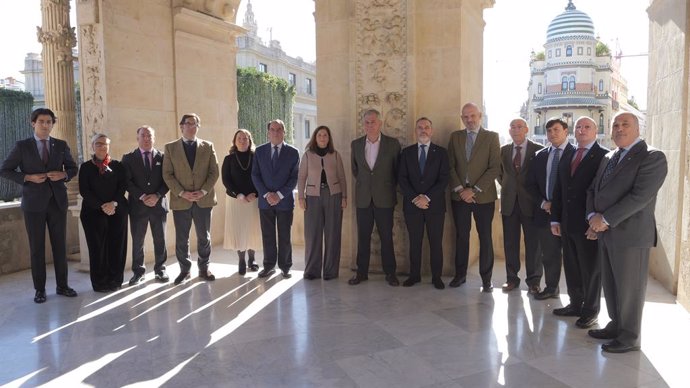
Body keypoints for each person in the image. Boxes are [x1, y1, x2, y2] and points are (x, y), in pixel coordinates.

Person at [586, 112, 667, 353]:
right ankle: (616, 325)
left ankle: (630, 336)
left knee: (630, 288)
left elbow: (640, 197)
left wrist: (606, 219)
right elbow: (593, 189)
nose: (619, 129)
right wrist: (592, 217)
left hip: (630, 235)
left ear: (638, 128)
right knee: (611, 285)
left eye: (625, 124)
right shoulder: (610, 156)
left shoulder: (652, 157)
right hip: (604, 231)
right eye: (616, 125)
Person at [0, 108, 78, 303]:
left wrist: (64, 175)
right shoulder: (22, 146)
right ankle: (40, 290)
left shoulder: (60, 145)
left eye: (49, 122)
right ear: (33, 123)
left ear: (53, 124)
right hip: (33, 204)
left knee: (60, 246)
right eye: (42, 121)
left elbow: (72, 167)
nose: (45, 125)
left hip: (57, 203)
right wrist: (27, 177)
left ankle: (63, 286)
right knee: (37, 248)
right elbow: (5, 169)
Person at [550, 117, 608, 327]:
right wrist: (555, 218)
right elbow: (559, 189)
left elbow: (603, 193)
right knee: (572, 266)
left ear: (596, 130)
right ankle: (575, 304)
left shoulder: (604, 156)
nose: (582, 130)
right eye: (578, 127)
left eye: (587, 127)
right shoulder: (569, 154)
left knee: (591, 269)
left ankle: (590, 310)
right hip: (566, 223)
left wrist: (596, 225)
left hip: (588, 225)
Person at [447, 102, 501, 291]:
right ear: (462, 118)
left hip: (483, 196)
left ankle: (486, 280)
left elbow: (495, 167)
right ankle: (460, 275)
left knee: (485, 237)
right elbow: (450, 165)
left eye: (473, 116)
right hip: (459, 196)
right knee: (461, 236)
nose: (469, 120)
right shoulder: (455, 137)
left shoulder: (491, 137)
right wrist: (461, 189)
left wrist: (474, 190)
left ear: (480, 115)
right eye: (465, 117)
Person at [162, 113, 219, 285]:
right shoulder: (170, 148)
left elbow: (214, 172)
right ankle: (185, 270)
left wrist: (203, 191)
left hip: (204, 200)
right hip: (181, 201)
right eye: (189, 123)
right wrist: (182, 193)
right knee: (182, 238)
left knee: (204, 237)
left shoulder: (208, 146)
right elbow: (167, 174)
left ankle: (204, 268)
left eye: (195, 124)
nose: (192, 127)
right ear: (181, 126)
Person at [349, 109, 401, 286]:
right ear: (363, 125)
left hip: (385, 198)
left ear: (380, 123)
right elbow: (356, 170)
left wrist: (383, 186)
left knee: (387, 236)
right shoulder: (355, 145)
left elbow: (397, 172)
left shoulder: (393, 144)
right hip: (363, 199)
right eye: (367, 122)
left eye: (373, 122)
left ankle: (390, 273)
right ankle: (361, 273)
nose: (370, 125)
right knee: (363, 237)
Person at [398, 117, 449, 289]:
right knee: (415, 242)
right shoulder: (406, 153)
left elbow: (444, 180)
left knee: (436, 242)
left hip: (434, 206)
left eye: (427, 127)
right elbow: (402, 179)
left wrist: (426, 198)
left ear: (431, 130)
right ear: (415, 131)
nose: (423, 130)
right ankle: (414, 276)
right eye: (420, 127)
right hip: (412, 206)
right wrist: (415, 198)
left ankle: (437, 277)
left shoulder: (441, 153)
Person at [527, 118, 572, 301]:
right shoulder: (540, 155)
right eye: (549, 131)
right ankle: (551, 287)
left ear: (566, 131)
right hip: (544, 212)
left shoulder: (575, 153)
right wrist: (543, 203)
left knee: (572, 257)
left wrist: (560, 205)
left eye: (556, 129)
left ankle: (577, 296)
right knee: (549, 254)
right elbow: (531, 185)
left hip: (569, 214)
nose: (552, 134)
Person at [498, 118, 544, 294]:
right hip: (509, 203)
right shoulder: (503, 151)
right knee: (510, 243)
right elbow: (500, 175)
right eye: (512, 127)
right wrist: (510, 189)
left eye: (519, 127)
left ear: (526, 129)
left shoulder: (538, 150)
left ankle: (534, 281)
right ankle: (511, 279)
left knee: (533, 244)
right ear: (509, 131)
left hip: (531, 204)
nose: (516, 130)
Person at [79, 134, 129, 292]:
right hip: (93, 213)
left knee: (116, 247)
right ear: (92, 146)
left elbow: (122, 187)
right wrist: (102, 206)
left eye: (105, 144)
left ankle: (115, 280)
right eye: (98, 144)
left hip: (117, 211)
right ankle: (100, 282)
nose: (102, 147)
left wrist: (112, 203)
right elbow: (84, 191)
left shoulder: (118, 165)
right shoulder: (86, 167)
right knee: (97, 248)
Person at [297, 125, 347, 280]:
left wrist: (344, 197)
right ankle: (312, 271)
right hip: (312, 197)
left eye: (325, 135)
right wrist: (301, 197)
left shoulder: (335, 155)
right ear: (315, 137)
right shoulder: (307, 155)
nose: (323, 138)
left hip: (334, 196)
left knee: (333, 234)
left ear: (328, 138)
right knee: (313, 234)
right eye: (320, 135)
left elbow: (342, 177)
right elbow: (301, 177)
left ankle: (331, 271)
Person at [251, 119, 300, 279]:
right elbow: (255, 175)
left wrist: (278, 195)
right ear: (268, 132)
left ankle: (285, 267)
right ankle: (269, 266)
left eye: (279, 129)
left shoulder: (293, 152)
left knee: (284, 235)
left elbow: (294, 178)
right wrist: (266, 194)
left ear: (284, 132)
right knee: (268, 235)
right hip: (265, 202)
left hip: (284, 201)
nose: (276, 132)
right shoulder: (259, 151)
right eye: (272, 129)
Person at [121, 125, 169, 285]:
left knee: (160, 240)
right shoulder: (128, 158)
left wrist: (157, 195)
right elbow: (126, 182)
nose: (147, 138)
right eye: (143, 136)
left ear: (154, 138)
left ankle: (161, 270)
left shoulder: (163, 157)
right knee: (138, 242)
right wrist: (142, 196)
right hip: (137, 207)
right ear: (138, 138)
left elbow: (168, 180)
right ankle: (138, 272)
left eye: (149, 136)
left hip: (159, 206)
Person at [221, 129, 262, 275]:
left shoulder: (257, 157)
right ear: (234, 141)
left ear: (250, 140)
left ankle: (252, 259)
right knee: (239, 229)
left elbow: (262, 177)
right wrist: (238, 194)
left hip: (253, 199)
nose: (242, 140)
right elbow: (226, 180)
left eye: (245, 138)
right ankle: (241, 260)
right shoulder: (229, 159)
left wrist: (255, 194)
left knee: (252, 229)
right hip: (235, 200)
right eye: (239, 138)